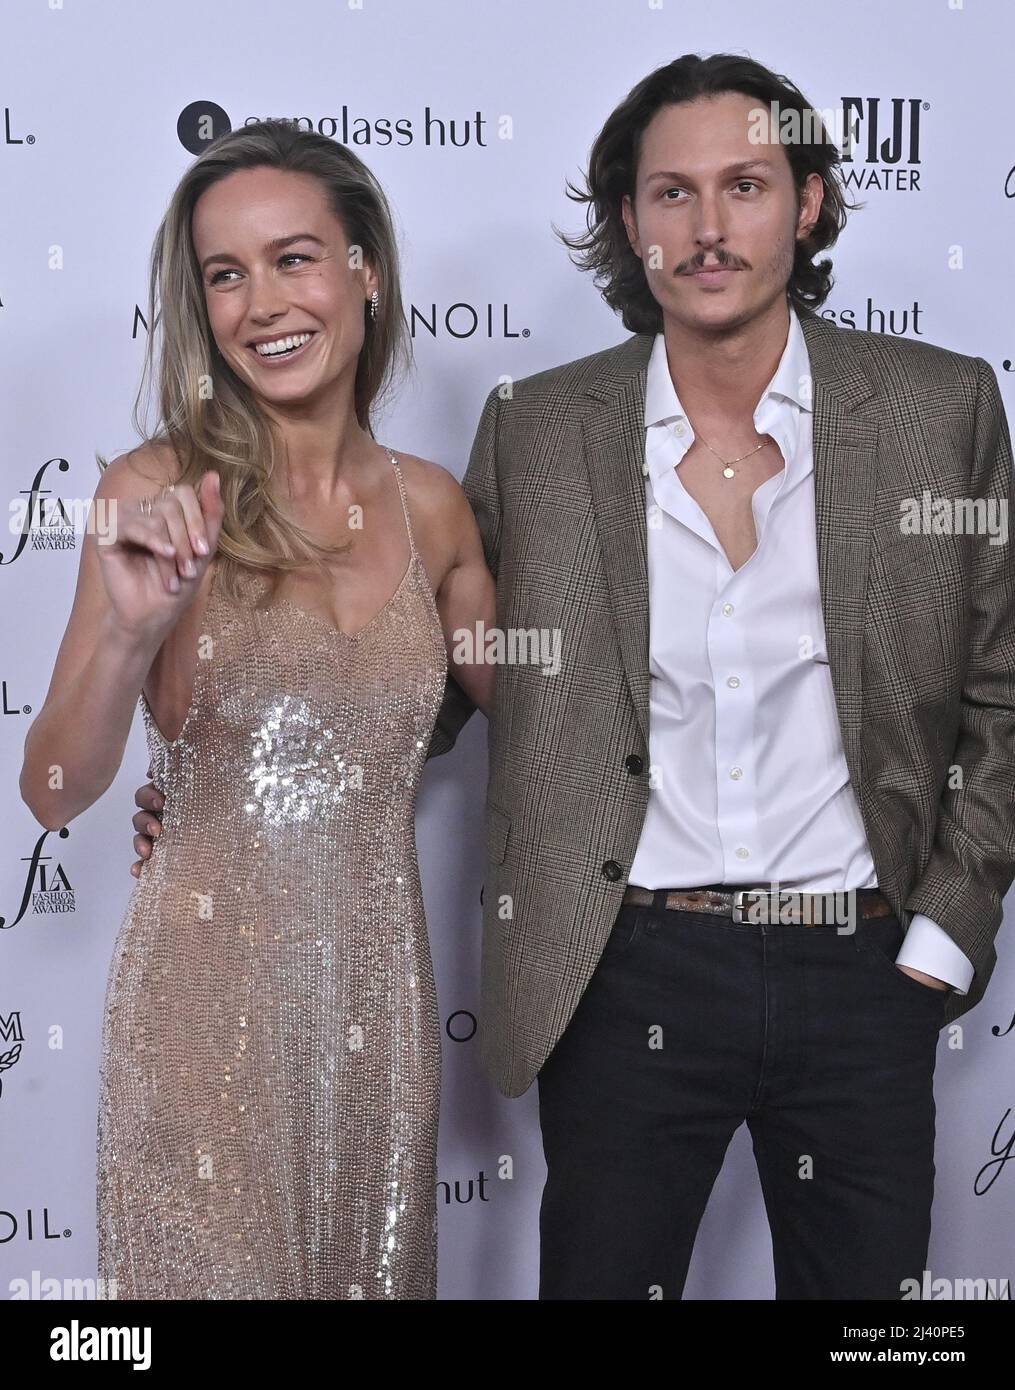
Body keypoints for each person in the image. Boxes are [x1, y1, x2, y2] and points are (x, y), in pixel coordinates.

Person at [132, 54, 1015, 1300]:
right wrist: (239, 776)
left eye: (746, 186)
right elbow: (445, 665)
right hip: (623, 970)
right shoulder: (537, 428)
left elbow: (1002, 689)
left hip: (862, 968)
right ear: (626, 220)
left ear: (808, 202)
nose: (708, 230)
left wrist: (940, 936)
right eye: (670, 193)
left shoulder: (940, 410)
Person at [20, 119, 495, 1299]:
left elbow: (550, 713)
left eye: (293, 258)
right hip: (199, 1013)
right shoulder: (156, 488)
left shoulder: (435, 510)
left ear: (364, 270)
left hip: (377, 1020)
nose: (260, 302)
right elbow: (54, 789)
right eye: (224, 273)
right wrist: (132, 630)